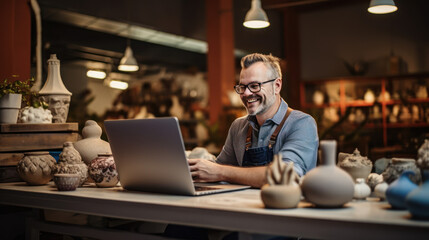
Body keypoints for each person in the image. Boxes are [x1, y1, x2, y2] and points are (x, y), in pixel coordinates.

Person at [188, 53, 319, 188]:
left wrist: (220, 171)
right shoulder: (238, 126)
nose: (246, 93)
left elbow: (285, 176)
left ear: (277, 86)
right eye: (242, 87)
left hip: (285, 207)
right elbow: (219, 170)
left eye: (255, 86)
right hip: (243, 206)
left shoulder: (302, 124)